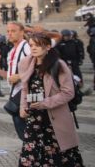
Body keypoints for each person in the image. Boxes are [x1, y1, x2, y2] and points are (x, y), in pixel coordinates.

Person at [18, 33, 84, 166]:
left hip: (54, 117)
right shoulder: (26, 63)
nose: (34, 48)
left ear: (48, 46)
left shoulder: (59, 65)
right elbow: (25, 88)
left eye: (38, 45)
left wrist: (44, 103)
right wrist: (23, 106)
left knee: (58, 156)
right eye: (31, 45)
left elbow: (68, 93)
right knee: (30, 155)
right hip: (34, 118)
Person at [0, 22, 30, 140]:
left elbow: (39, 67)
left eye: (13, 31)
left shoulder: (27, 46)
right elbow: (10, 76)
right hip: (15, 93)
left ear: (22, 32)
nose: (9, 34)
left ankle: (32, 153)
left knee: (27, 129)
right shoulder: (11, 51)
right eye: (8, 31)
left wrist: (20, 76)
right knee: (21, 128)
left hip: (26, 94)